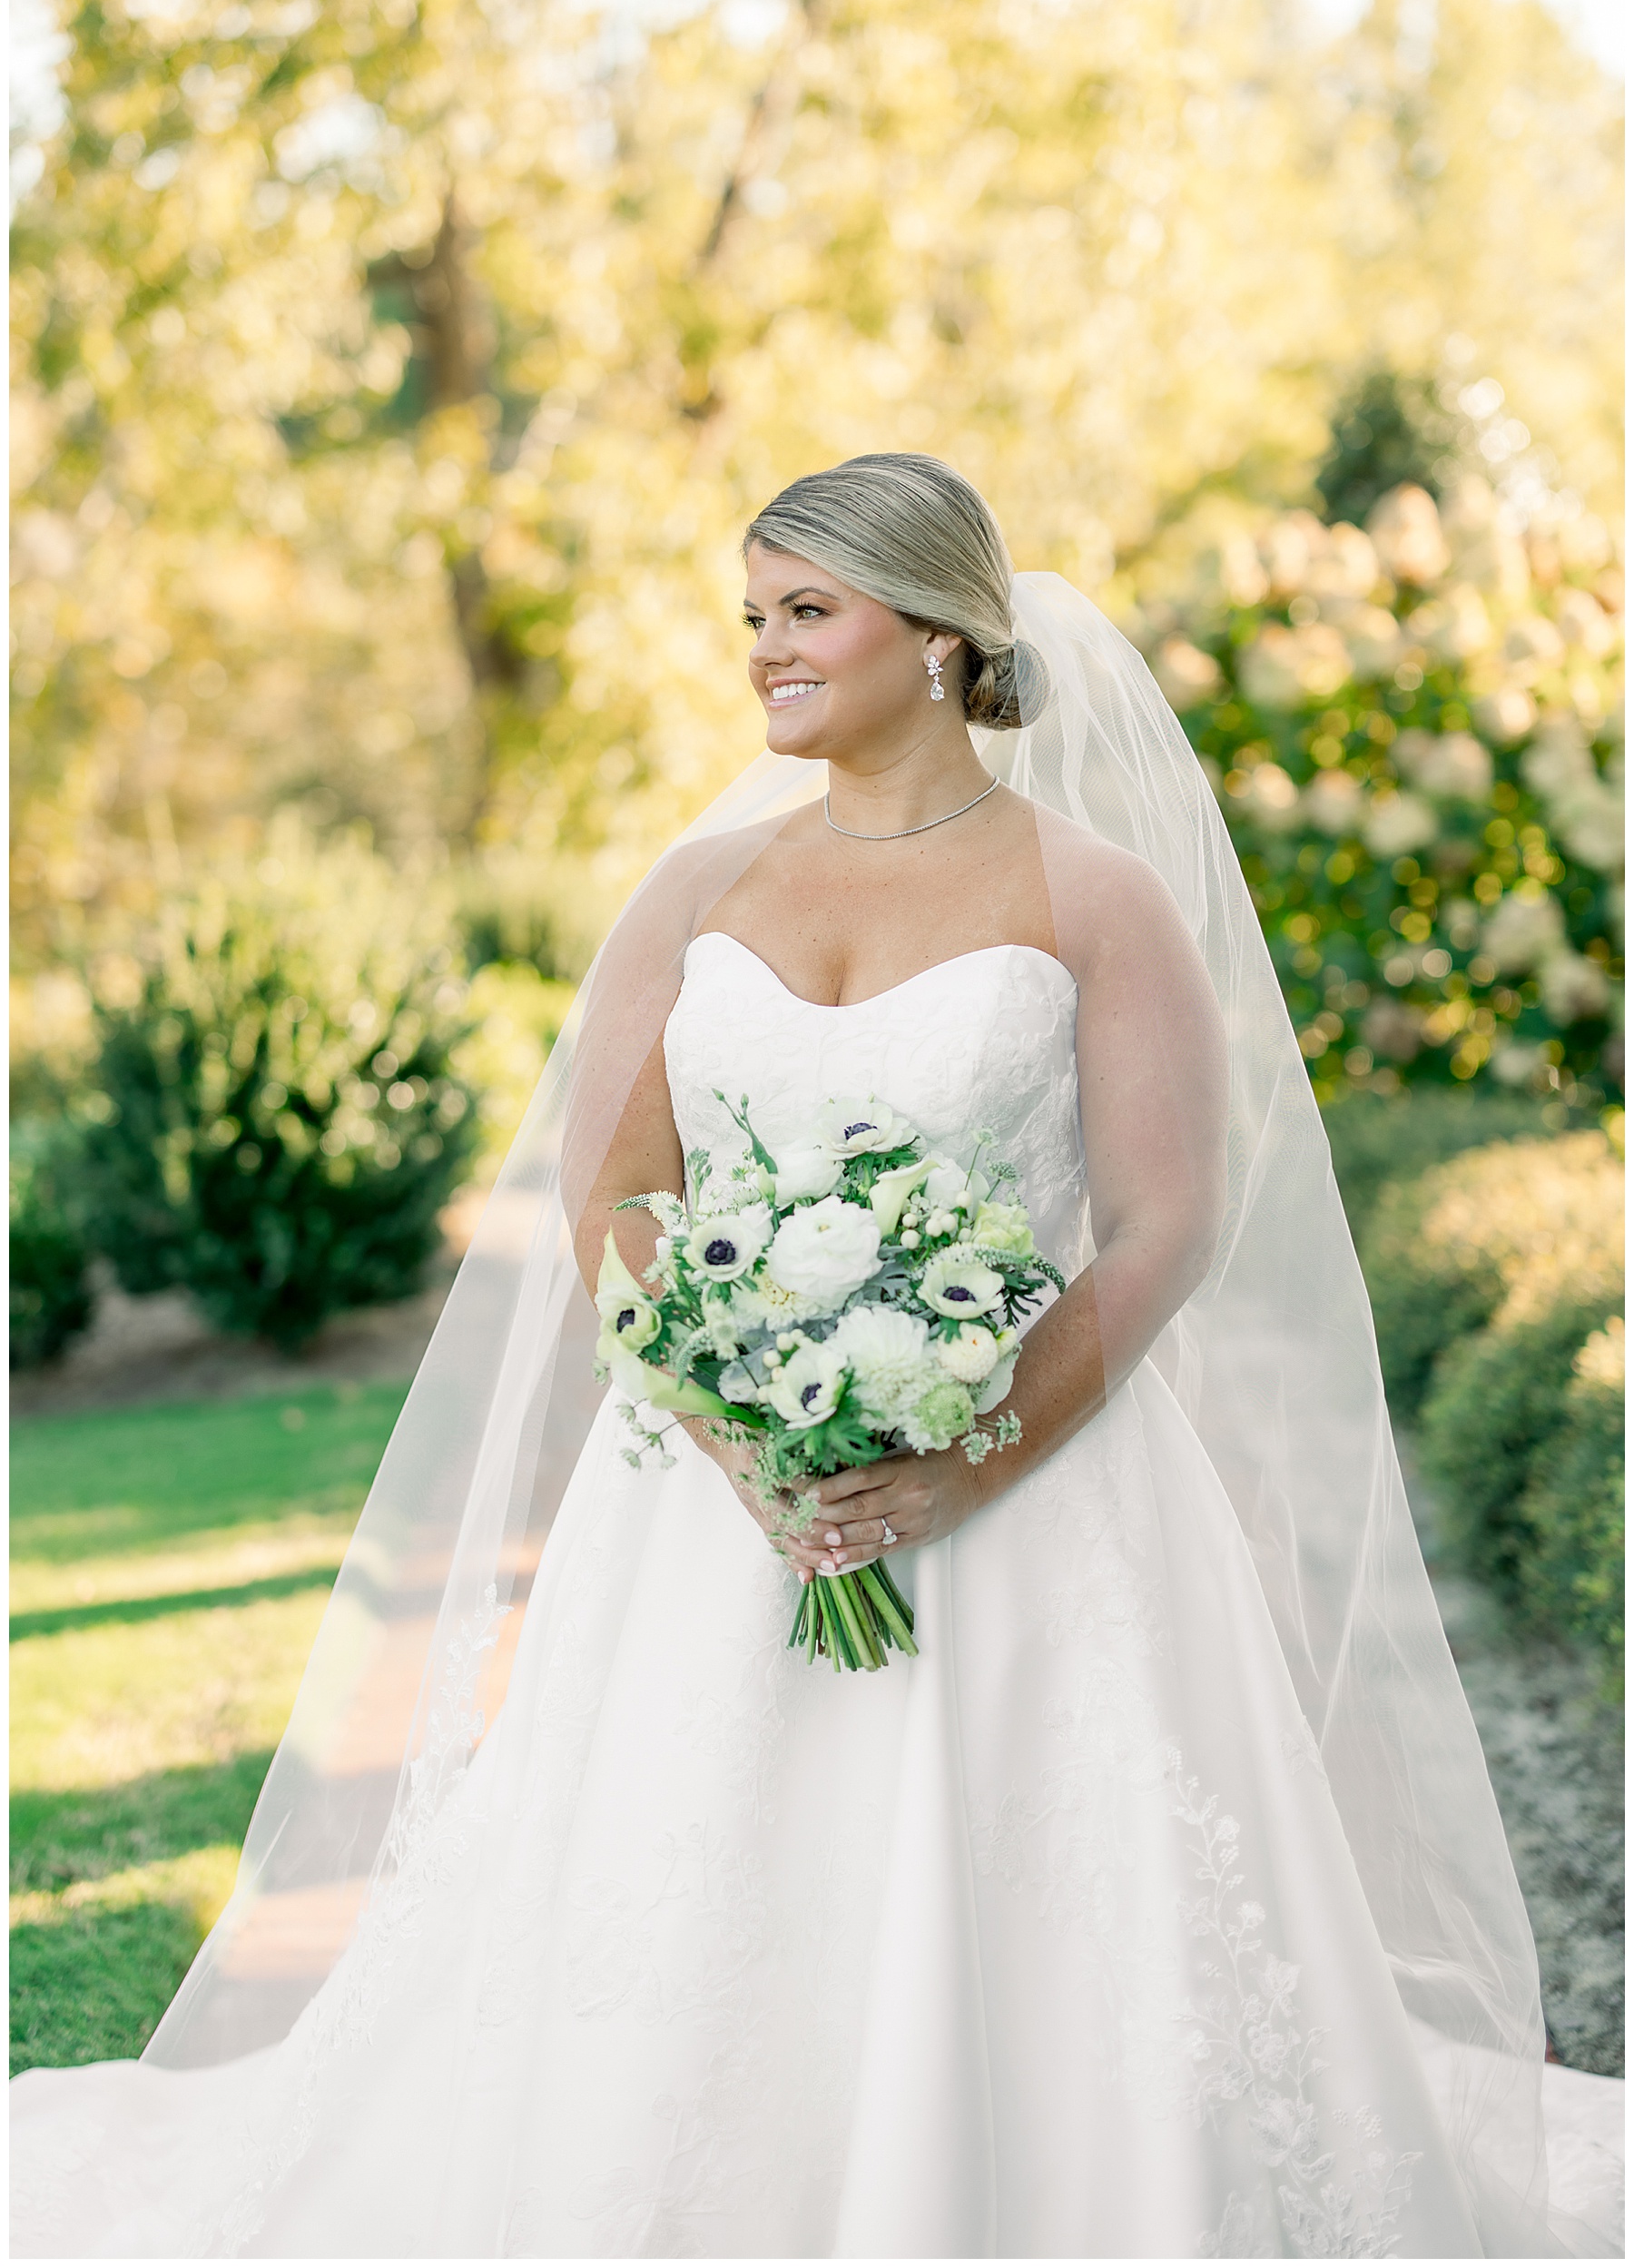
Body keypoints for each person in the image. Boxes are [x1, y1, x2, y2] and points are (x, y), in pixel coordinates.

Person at [10, 456, 1620, 2258]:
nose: (766, 651)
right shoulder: (698, 890)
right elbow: (618, 1199)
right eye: (754, 616)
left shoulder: (1095, 899)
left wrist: (962, 1462)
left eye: (806, 612)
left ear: (935, 637)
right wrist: (746, 1435)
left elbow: (1163, 1224)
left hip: (1041, 1505)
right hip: (711, 1515)